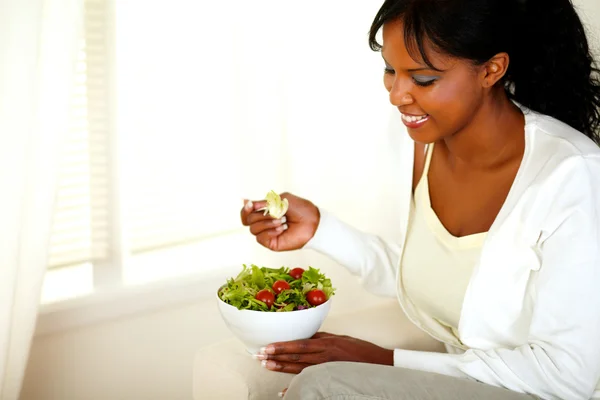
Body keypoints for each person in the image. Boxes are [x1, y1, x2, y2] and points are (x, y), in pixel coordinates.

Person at [240, 0, 600, 398]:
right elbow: (437, 273)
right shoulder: (422, 142)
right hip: (464, 379)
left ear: (492, 70)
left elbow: (567, 375)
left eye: (423, 79)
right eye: (390, 71)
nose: (397, 95)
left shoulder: (572, 175)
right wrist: (320, 230)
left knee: (321, 385)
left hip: (539, 392)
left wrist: (385, 360)